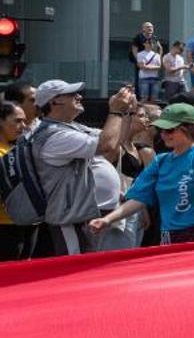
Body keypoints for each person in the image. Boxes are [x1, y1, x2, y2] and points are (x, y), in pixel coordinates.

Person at [8, 82, 136, 257]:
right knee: (75, 272)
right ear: (54, 102)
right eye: (71, 94)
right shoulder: (53, 136)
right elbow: (106, 145)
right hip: (69, 220)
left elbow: (115, 140)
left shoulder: (71, 128)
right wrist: (115, 111)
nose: (79, 96)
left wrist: (126, 112)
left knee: (91, 272)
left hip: (85, 217)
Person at [90, 102, 194, 245]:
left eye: (169, 130)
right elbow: (138, 199)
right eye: (161, 129)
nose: (163, 135)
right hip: (167, 237)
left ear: (189, 129)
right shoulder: (160, 161)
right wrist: (107, 220)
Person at [0, 99, 26, 260]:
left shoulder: (16, 149)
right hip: (4, 228)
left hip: (23, 224)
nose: (23, 126)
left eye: (24, 121)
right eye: (17, 121)